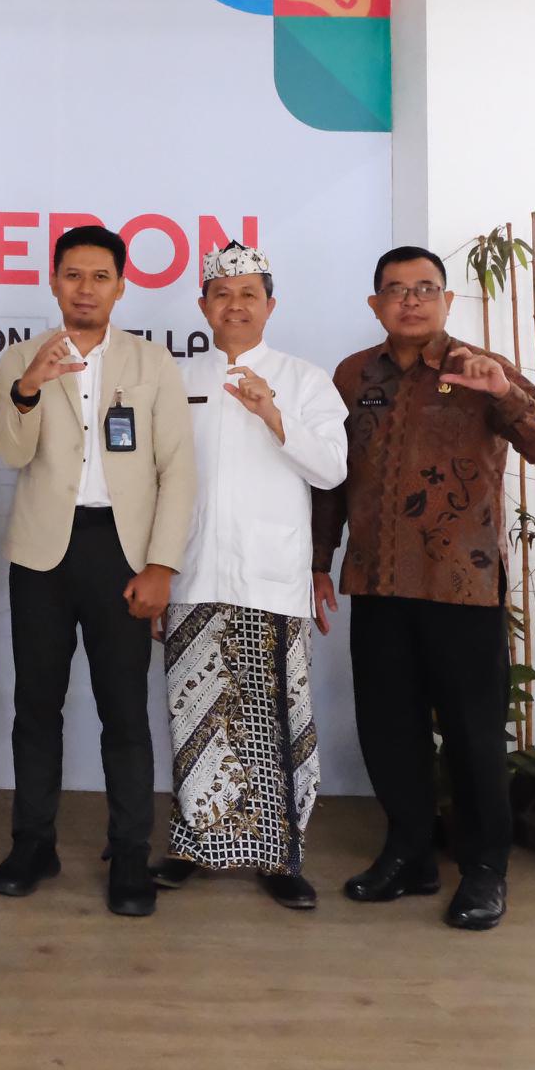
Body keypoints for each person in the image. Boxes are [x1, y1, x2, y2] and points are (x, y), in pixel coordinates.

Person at [315, 244, 535, 932]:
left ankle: (485, 869)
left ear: (447, 301)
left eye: (425, 288)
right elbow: (332, 477)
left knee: (472, 734)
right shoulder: (353, 375)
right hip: (377, 580)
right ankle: (410, 854)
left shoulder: (481, 369)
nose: (411, 301)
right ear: (375, 303)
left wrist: (505, 394)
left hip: (461, 585)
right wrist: (319, 559)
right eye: (396, 289)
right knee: (387, 728)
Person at [0, 223, 197, 918]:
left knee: (125, 712)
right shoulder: (21, 358)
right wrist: (28, 389)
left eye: (100, 276)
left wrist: (161, 564)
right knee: (36, 707)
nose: (86, 288)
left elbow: (177, 470)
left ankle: (130, 853)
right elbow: (14, 455)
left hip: (122, 554)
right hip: (42, 555)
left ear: (121, 285)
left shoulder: (151, 362)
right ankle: (32, 843)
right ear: (53, 282)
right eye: (73, 275)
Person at [148, 242, 347, 909]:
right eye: (222, 294)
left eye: (248, 295)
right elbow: (152, 479)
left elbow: (332, 470)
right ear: (203, 305)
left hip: (271, 575)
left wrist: (273, 414)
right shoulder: (176, 378)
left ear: (270, 305)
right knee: (194, 715)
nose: (235, 305)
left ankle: (280, 856)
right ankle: (190, 845)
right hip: (192, 573)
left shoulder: (304, 379)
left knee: (273, 715)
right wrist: (155, 569)